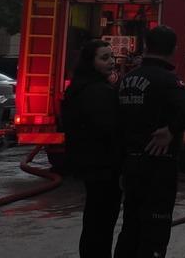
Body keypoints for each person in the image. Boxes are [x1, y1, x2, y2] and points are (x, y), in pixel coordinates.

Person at [114, 26, 185, 258]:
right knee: (155, 227)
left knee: (131, 225)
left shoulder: (127, 79)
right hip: (159, 164)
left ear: (145, 46)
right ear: (173, 49)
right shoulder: (168, 80)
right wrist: (171, 131)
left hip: (130, 163)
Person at [61, 40, 122, 258]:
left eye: (112, 57)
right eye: (104, 58)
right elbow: (109, 129)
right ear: (90, 61)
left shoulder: (78, 87)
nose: (111, 62)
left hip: (89, 164)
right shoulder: (99, 91)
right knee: (102, 221)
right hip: (103, 166)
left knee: (94, 217)